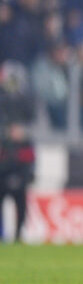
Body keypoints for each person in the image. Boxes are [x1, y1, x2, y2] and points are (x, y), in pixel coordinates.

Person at [0, 61, 36, 243]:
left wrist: (23, 132)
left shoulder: (27, 103)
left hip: (19, 162)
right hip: (4, 160)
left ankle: (18, 235)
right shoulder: (3, 102)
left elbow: (35, 129)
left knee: (21, 200)